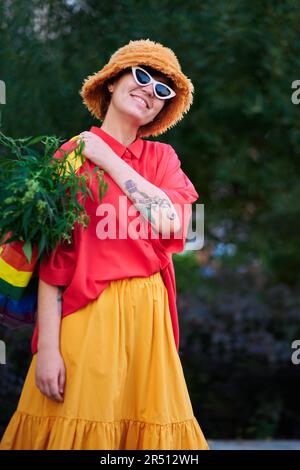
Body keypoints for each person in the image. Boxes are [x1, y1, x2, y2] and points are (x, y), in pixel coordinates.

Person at [0, 38, 209, 450]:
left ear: (164, 108)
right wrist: (47, 350)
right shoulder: (68, 159)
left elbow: (171, 222)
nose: (149, 91)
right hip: (86, 315)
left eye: (162, 90)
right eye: (142, 76)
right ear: (113, 82)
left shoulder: (163, 159)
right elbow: (52, 262)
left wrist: (108, 157)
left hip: (149, 323)